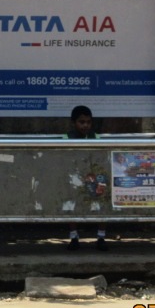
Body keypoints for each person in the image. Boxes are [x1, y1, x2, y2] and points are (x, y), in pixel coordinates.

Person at [64, 104, 108, 251]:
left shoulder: (97, 138)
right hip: (74, 179)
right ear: (73, 123)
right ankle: (74, 237)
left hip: (93, 178)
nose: (85, 126)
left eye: (88, 122)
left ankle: (101, 237)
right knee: (71, 205)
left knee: (101, 204)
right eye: (81, 122)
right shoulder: (66, 138)